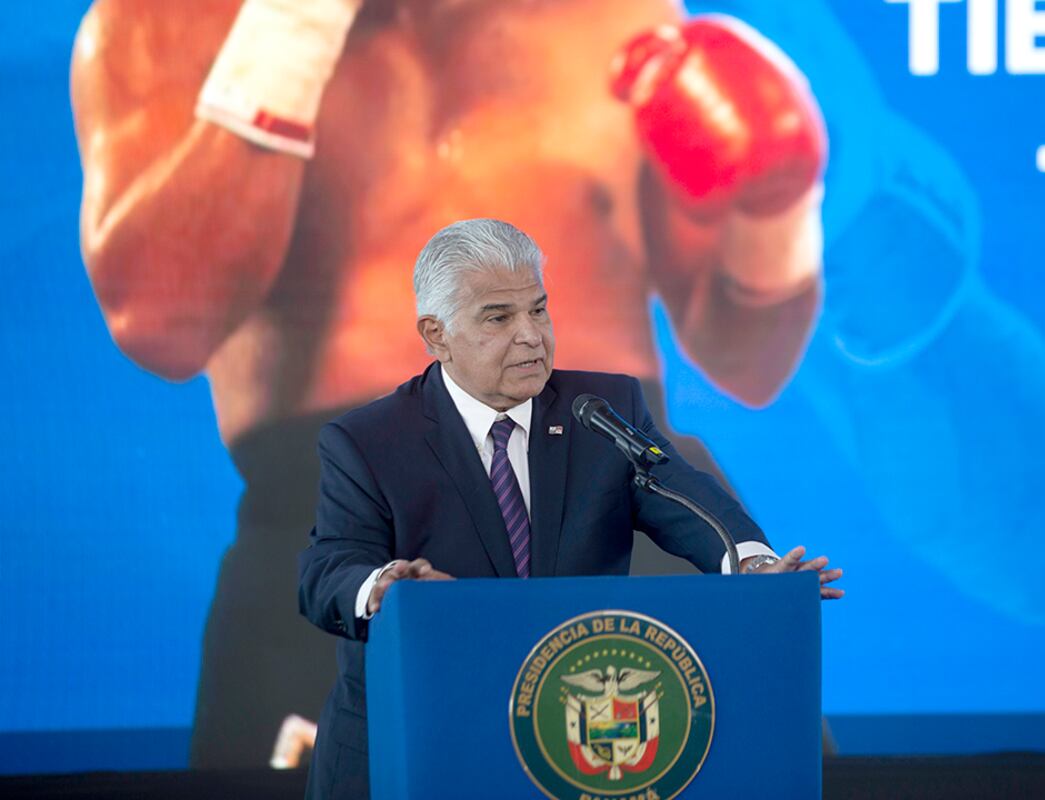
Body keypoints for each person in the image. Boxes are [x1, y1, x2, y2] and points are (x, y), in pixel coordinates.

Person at [70, 0, 826, 766]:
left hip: (612, 494)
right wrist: (291, 27)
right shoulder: (169, 22)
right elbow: (160, 321)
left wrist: (777, 210)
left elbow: (752, 362)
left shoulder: (610, 17)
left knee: (749, 765)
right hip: (356, 519)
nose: (528, 333)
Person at [297, 218, 843, 799]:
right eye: (499, 318)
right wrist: (384, 586)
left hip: (562, 743)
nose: (532, 336)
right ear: (436, 335)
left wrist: (754, 567)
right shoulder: (370, 440)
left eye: (539, 309)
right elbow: (329, 568)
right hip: (413, 739)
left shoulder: (601, 410)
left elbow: (688, 499)